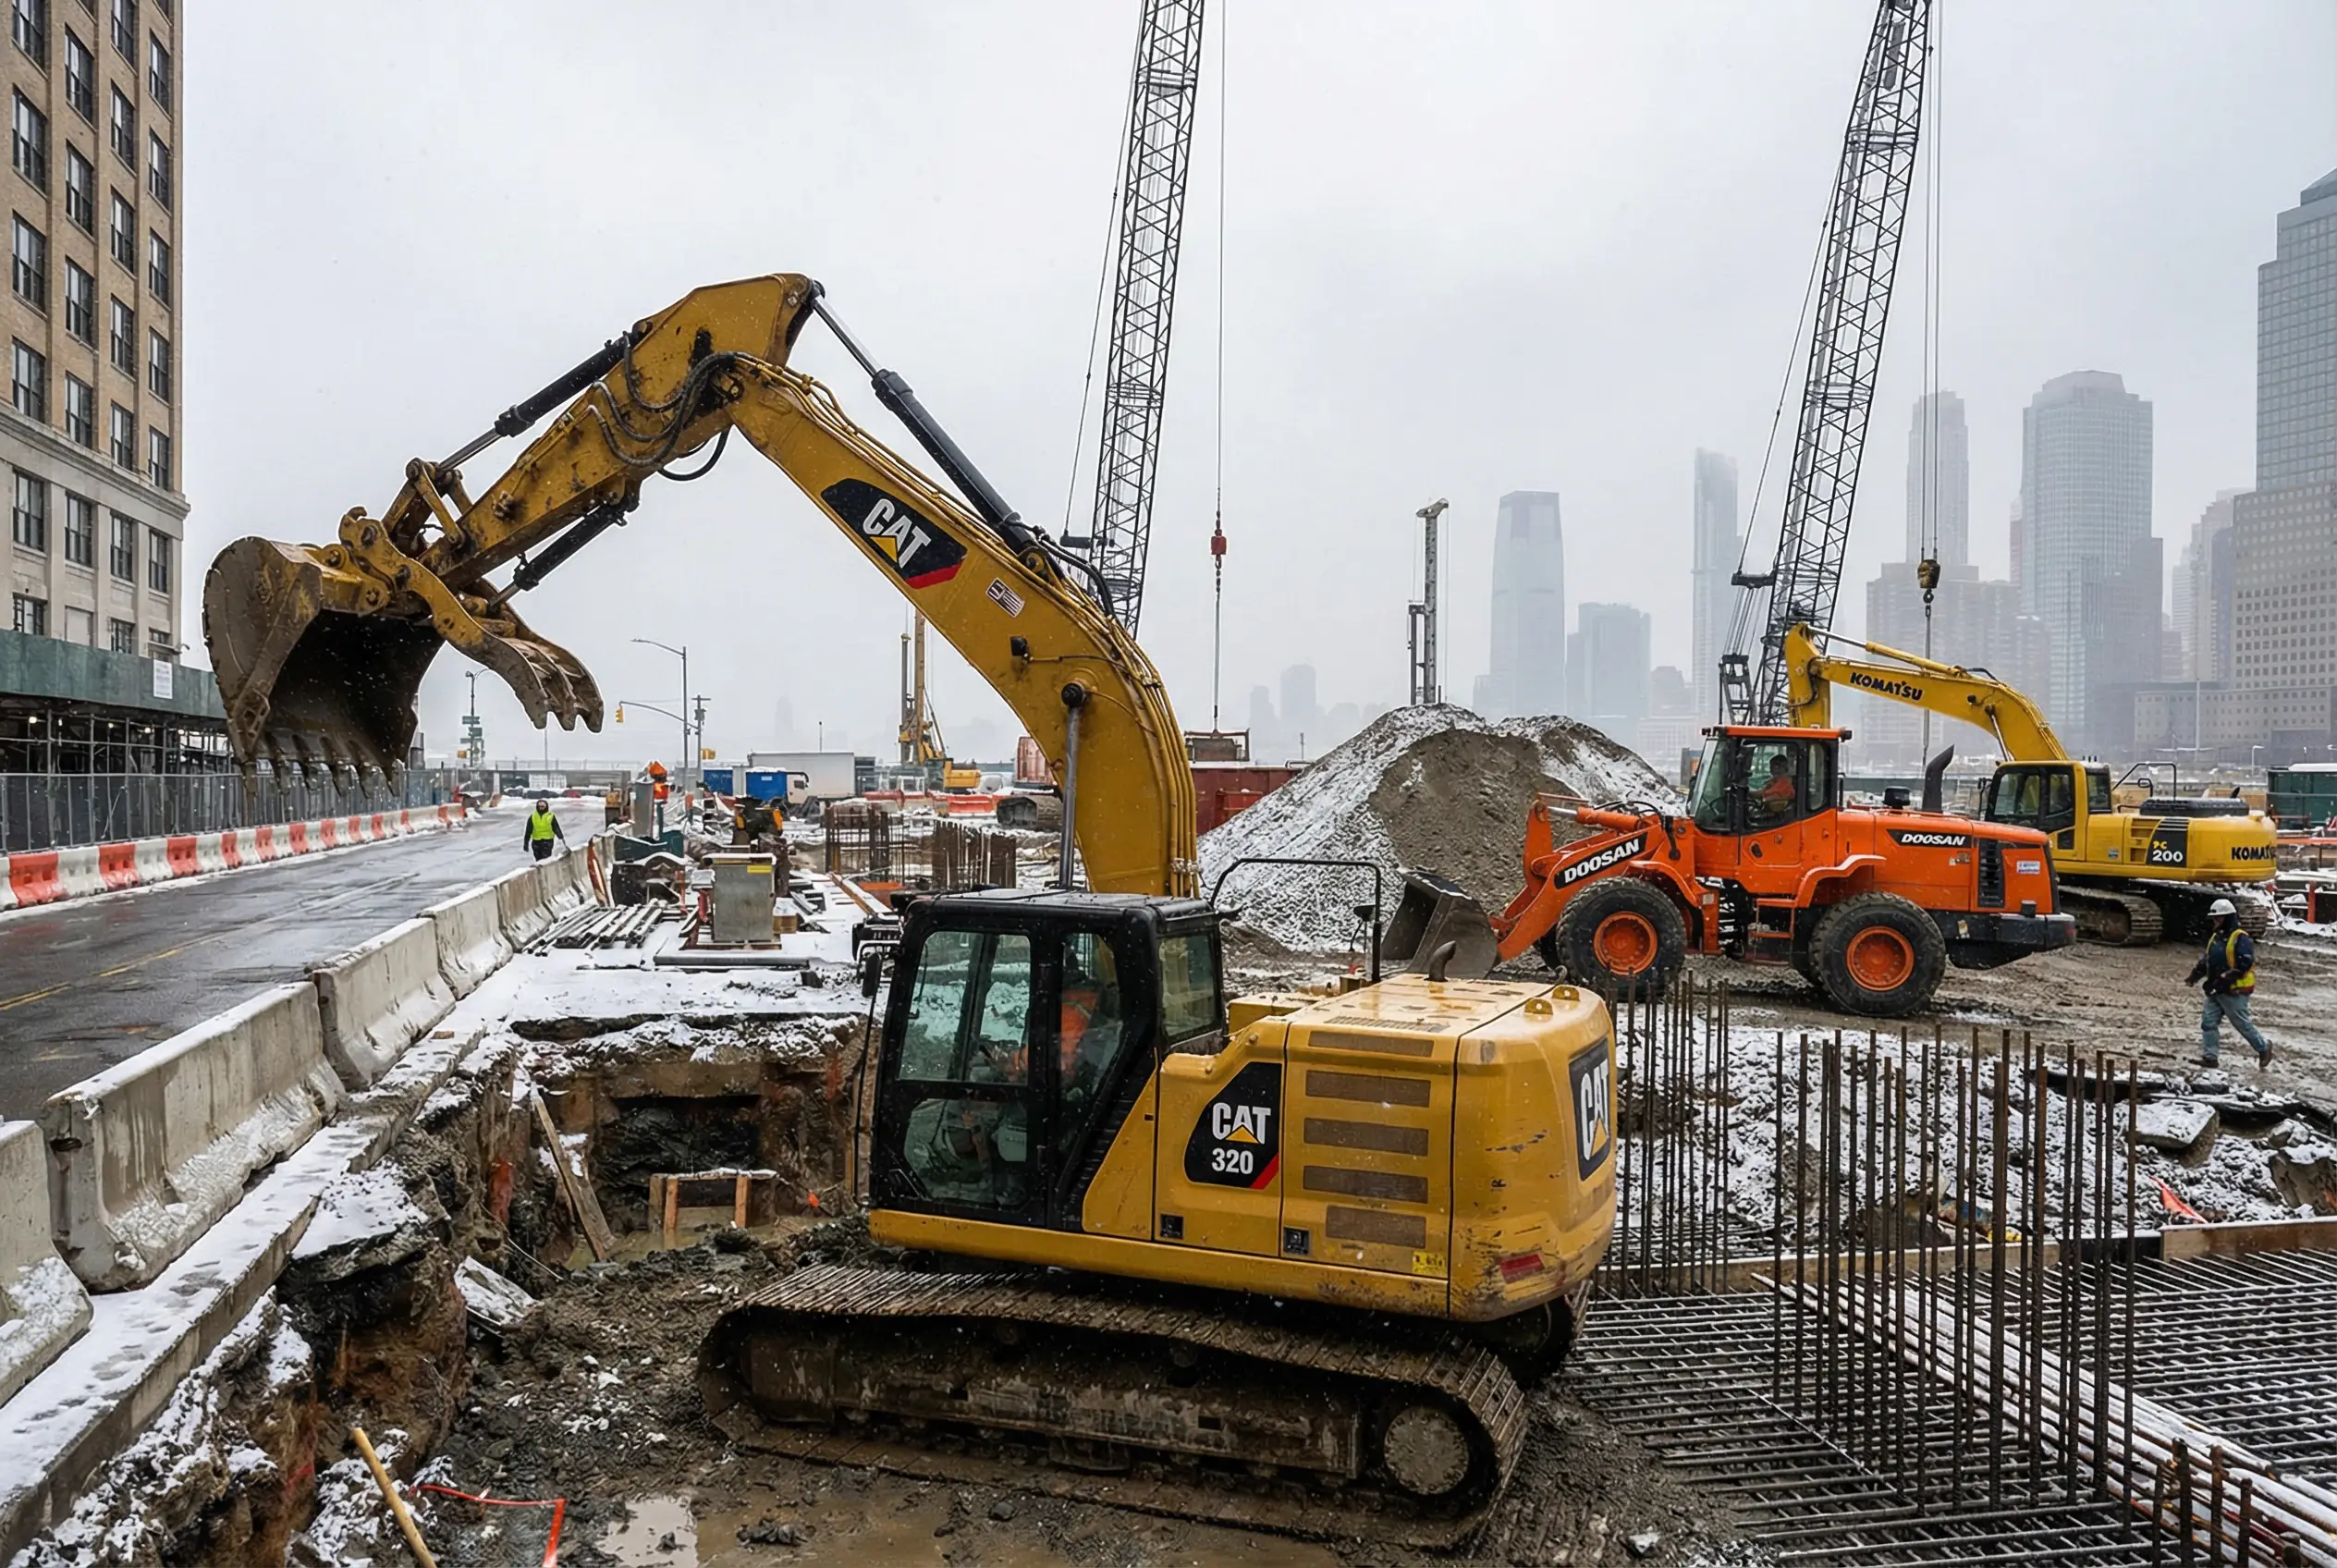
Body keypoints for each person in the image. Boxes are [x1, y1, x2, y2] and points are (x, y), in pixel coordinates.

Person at [2186, 897, 2271, 1068]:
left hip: (2235, 991)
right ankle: (2210, 1057)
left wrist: (2225, 979)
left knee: (2241, 1023)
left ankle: (2263, 1047)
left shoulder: (2241, 938)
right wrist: (2196, 974)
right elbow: (2208, 959)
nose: (2216, 921)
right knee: (2208, 1022)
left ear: (2228, 918)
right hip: (2216, 989)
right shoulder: (2216, 938)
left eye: (2219, 918)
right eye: (2214, 918)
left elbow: (2243, 964)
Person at [1754, 752, 1797, 822]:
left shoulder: (1784, 782)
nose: (1770, 769)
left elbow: (1767, 795)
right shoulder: (1774, 781)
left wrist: (1748, 793)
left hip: (1778, 819)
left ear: (1779, 767)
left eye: (1772, 766)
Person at [522, 795, 567, 862]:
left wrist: (561, 837)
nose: (541, 808)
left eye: (543, 806)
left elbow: (556, 828)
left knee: (546, 858)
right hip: (536, 841)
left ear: (546, 807)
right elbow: (528, 831)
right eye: (539, 806)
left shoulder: (550, 816)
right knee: (538, 859)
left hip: (547, 841)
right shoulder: (533, 816)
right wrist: (526, 843)